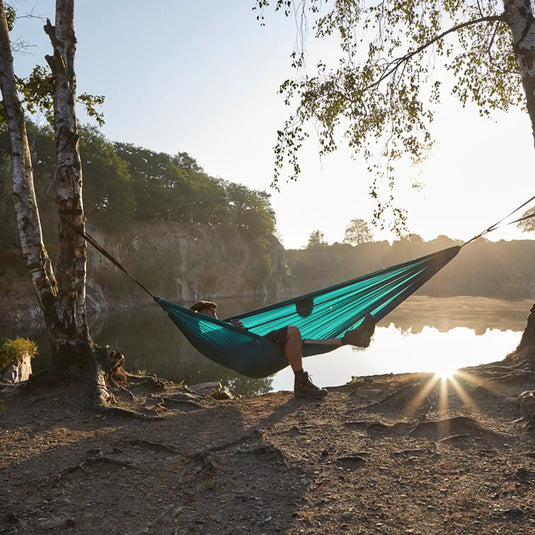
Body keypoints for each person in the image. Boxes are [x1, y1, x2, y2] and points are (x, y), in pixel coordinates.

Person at [190, 300, 376, 400]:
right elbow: (235, 348)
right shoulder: (212, 335)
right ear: (199, 321)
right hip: (256, 356)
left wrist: (239, 330)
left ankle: (351, 339)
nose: (214, 316)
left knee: (301, 342)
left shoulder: (226, 327)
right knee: (293, 332)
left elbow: (244, 341)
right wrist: (234, 332)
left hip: (261, 348)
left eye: (214, 313)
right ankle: (301, 383)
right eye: (209, 315)